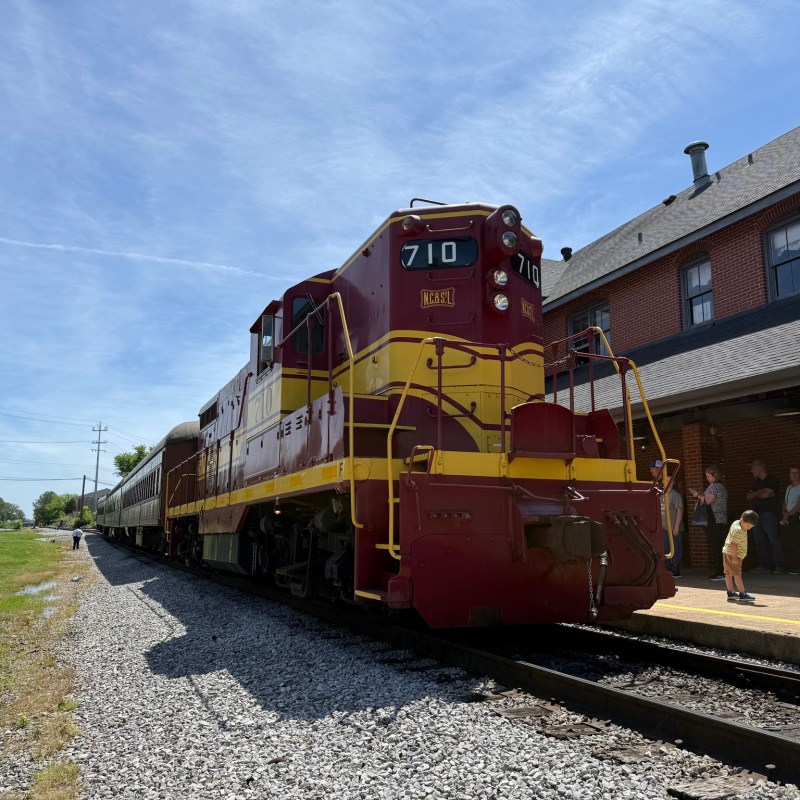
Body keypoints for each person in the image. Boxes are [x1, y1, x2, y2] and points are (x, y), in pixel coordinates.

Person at [689, 464, 727, 581]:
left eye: (708, 476)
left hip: (715, 520)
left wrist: (698, 495)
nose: (707, 478)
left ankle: (721, 572)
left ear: (715, 476)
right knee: (717, 545)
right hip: (717, 520)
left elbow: (708, 500)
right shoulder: (717, 486)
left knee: (717, 546)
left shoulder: (715, 486)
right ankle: (720, 571)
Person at [746, 459, 785, 574]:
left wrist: (757, 493)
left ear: (760, 467)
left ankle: (780, 566)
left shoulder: (772, 480)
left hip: (769, 514)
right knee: (759, 541)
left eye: (753, 467)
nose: (751, 470)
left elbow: (767, 494)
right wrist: (760, 491)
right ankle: (764, 566)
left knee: (774, 540)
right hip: (756, 515)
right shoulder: (756, 482)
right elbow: (748, 496)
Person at [650, 459, 684, 577]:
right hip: (663, 527)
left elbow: (680, 510)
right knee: (665, 548)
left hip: (673, 527)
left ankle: (676, 569)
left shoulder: (675, 495)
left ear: (673, 482)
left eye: (670, 480)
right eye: (666, 480)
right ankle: (667, 569)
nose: (667, 482)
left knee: (676, 548)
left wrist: (676, 527)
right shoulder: (661, 494)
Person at [723, 510, 758, 603]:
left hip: (727, 552)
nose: (748, 528)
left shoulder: (736, 523)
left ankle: (730, 593)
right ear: (742, 520)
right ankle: (742, 594)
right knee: (737, 574)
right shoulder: (739, 530)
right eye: (747, 526)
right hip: (734, 555)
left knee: (728, 573)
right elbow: (734, 544)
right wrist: (735, 558)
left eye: (751, 527)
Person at [780, 465, 800, 575]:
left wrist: (787, 516)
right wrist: (784, 513)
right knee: (793, 542)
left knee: (798, 542)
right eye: (792, 473)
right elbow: (785, 502)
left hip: (796, 516)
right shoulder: (789, 488)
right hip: (789, 517)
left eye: (796, 472)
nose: (794, 475)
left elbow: (798, 504)